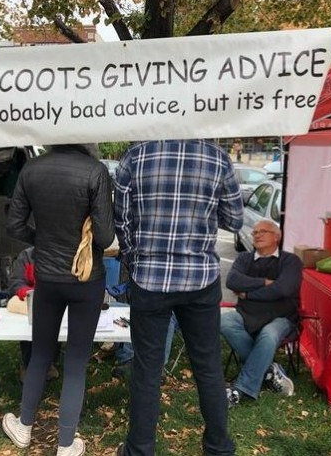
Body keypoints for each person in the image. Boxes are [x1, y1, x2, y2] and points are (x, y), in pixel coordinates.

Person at [113, 139, 243, 456]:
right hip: (200, 279)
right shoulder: (218, 158)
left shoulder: (135, 157)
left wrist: (134, 260)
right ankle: (218, 448)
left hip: (150, 279)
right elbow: (235, 220)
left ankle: (139, 450)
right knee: (208, 367)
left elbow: (122, 221)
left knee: (147, 369)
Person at [3, 143, 114, 456]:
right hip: (86, 278)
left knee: (40, 354)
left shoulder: (32, 168)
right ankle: (66, 444)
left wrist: (44, 240)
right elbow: (105, 238)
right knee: (76, 363)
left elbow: (14, 224)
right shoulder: (96, 170)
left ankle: (24, 427)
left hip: (48, 277)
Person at [221, 219, 303, 407]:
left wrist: (248, 293)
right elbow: (232, 281)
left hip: (282, 316)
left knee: (268, 334)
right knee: (224, 322)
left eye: (263, 231)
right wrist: (264, 282)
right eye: (255, 232)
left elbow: (283, 289)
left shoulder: (290, 261)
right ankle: (268, 370)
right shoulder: (244, 259)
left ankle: (241, 389)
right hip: (247, 314)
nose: (257, 235)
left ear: (277, 236)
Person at [6, 246, 60, 382]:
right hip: (31, 302)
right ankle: (28, 364)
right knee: (29, 325)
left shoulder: (63, 254)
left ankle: (49, 363)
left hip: (57, 302)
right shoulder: (26, 256)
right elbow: (16, 282)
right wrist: (28, 294)